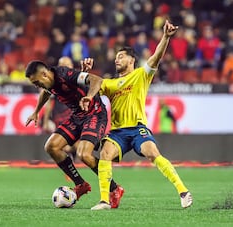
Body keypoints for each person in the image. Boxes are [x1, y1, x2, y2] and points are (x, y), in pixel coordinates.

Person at [82, 20, 193, 210]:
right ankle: (104, 201)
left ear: (131, 60)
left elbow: (156, 57)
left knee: (152, 152)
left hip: (137, 128)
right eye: (116, 57)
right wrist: (84, 74)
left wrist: (165, 37)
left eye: (121, 56)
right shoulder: (109, 84)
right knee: (105, 153)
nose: (117, 59)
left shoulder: (142, 75)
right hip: (117, 132)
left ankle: (183, 191)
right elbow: (91, 87)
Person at [25, 60, 124, 207]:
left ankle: (115, 189)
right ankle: (80, 184)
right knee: (51, 146)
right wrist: (36, 111)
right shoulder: (48, 83)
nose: (36, 85)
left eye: (36, 82)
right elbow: (46, 93)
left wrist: (89, 97)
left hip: (94, 114)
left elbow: (97, 80)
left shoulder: (64, 74)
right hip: (77, 116)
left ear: (45, 74)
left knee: (84, 154)